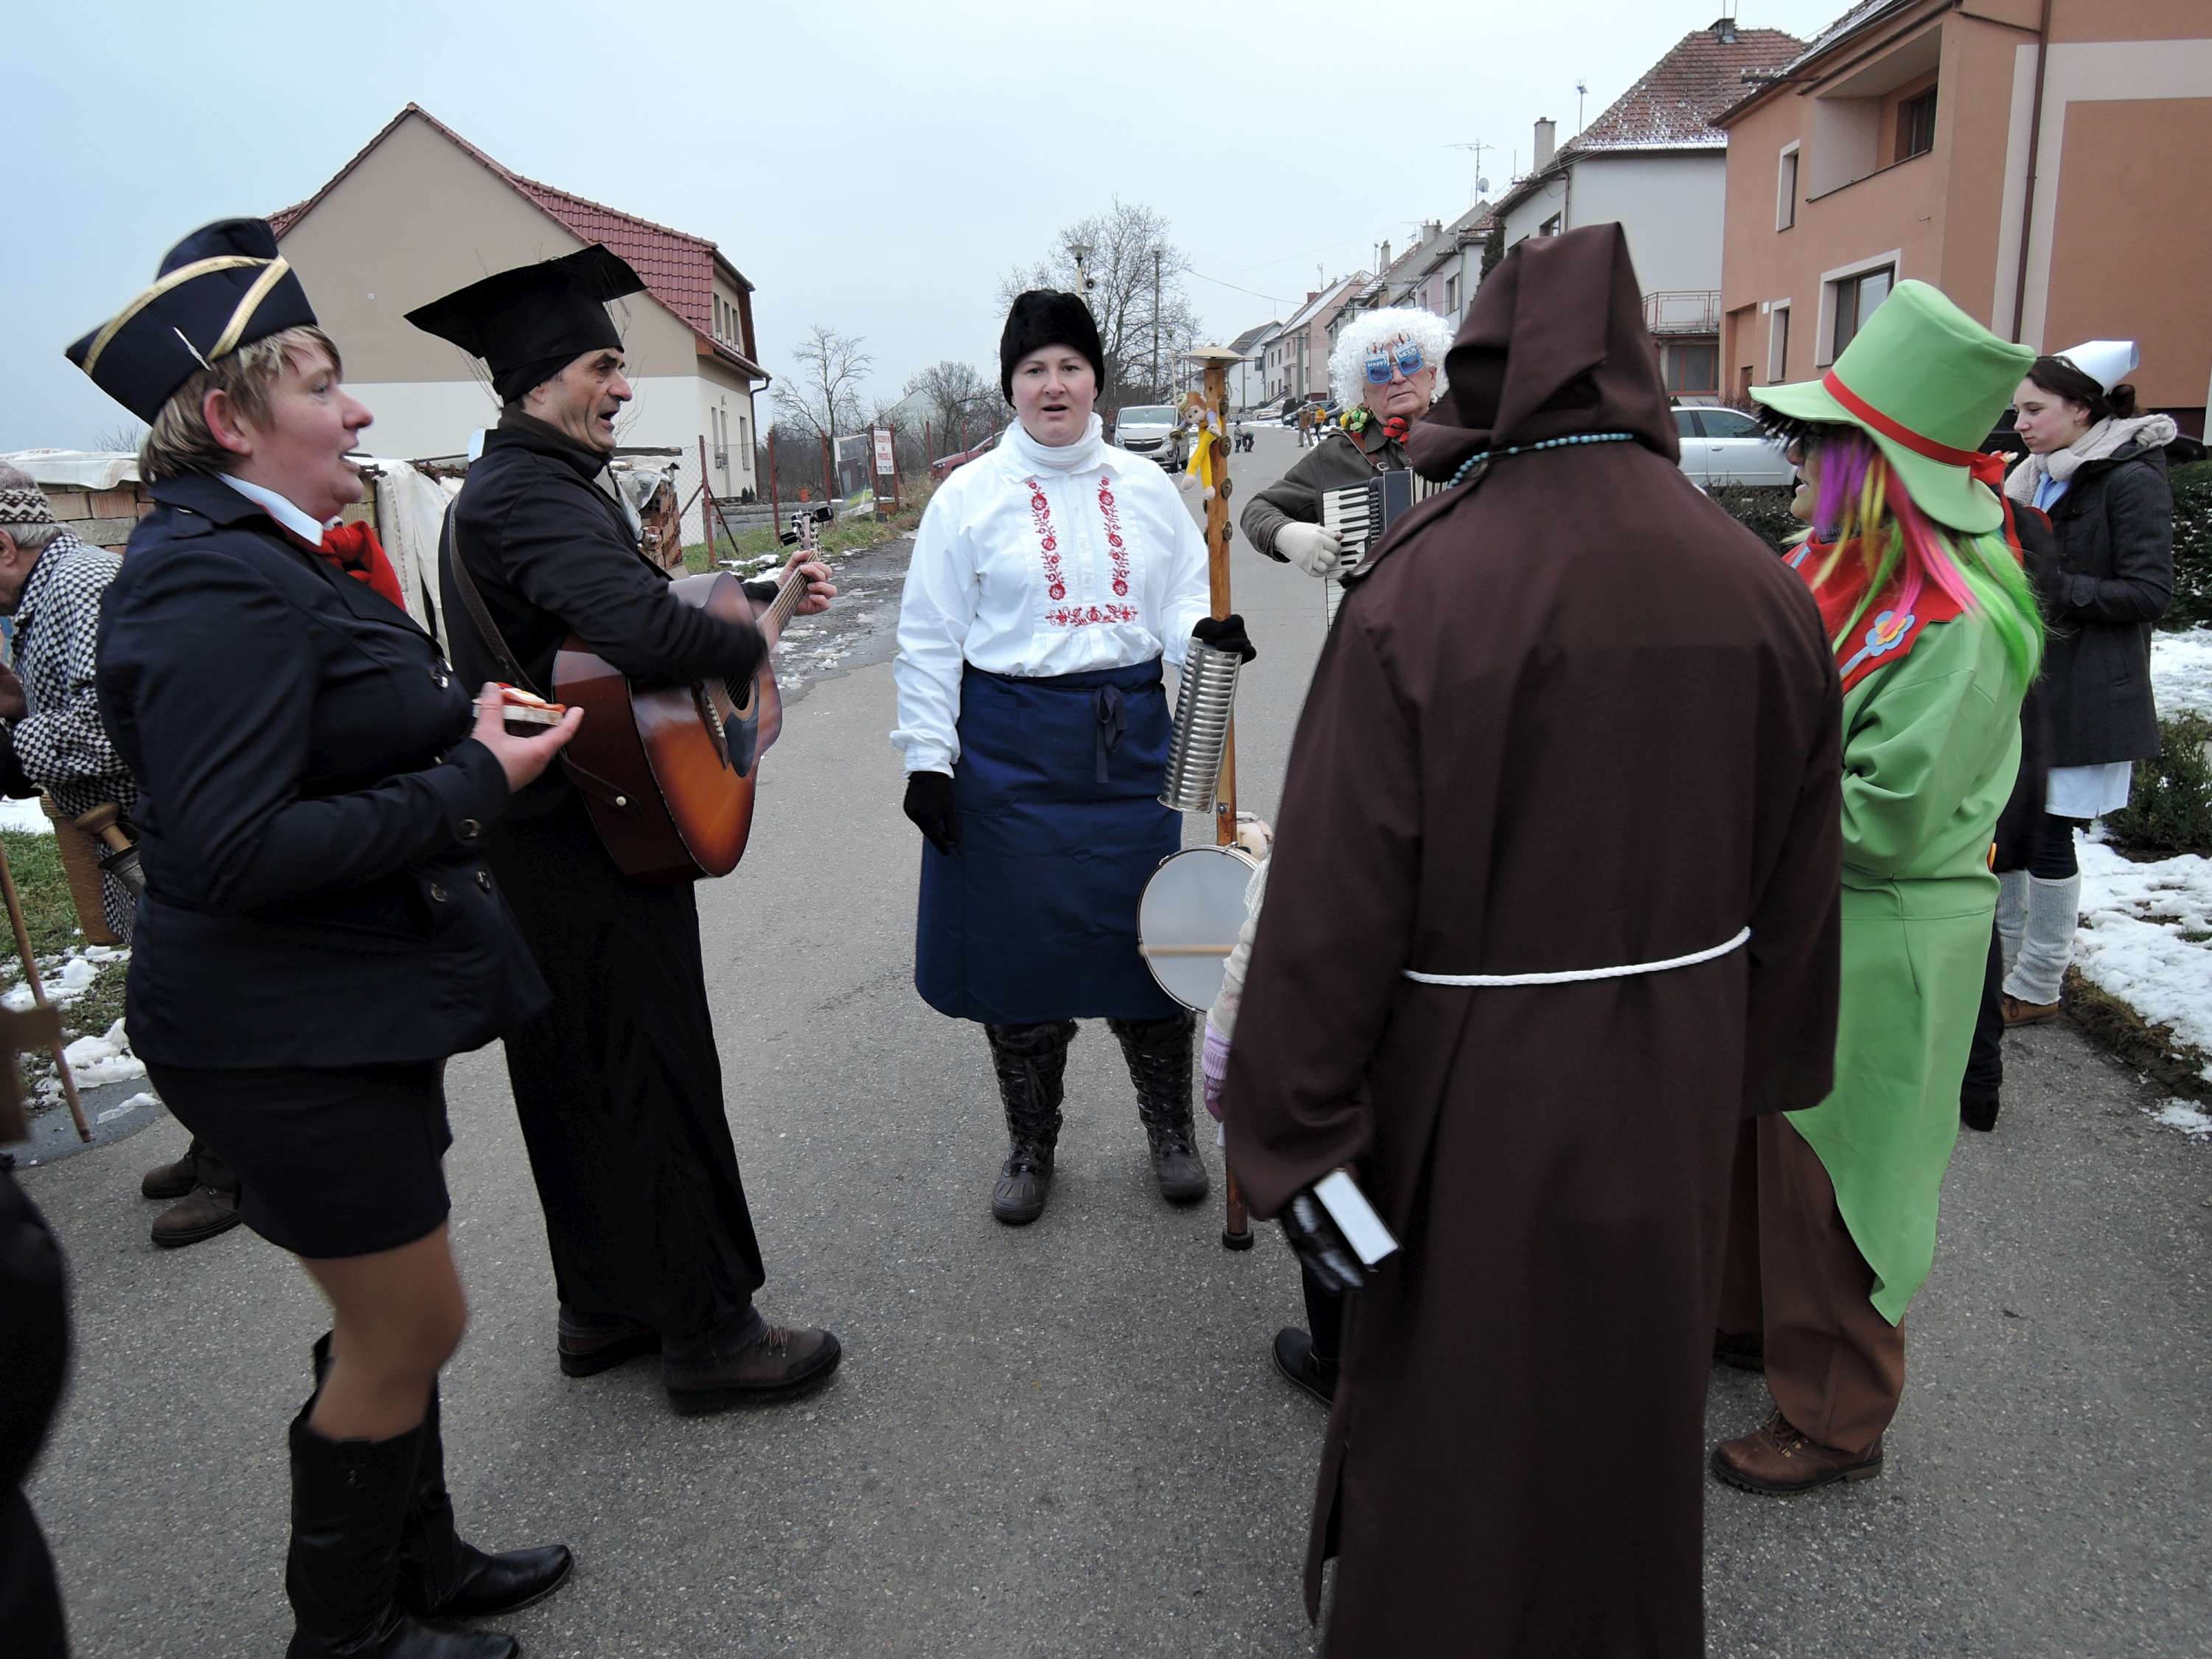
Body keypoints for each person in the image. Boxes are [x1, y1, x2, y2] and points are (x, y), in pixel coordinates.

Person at [1222, 223, 1843, 1656]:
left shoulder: (1423, 587)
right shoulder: (1761, 586)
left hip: (1468, 1099)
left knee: (1454, 1420)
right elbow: (1803, 879)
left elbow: (1328, 905)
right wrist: (1747, 1072)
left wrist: (1296, 1145)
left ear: (1489, 373)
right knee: (1628, 1419)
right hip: (1676, 1091)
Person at [77, 218, 577, 1659]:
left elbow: (319, 738)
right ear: (231, 420)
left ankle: (422, 1566)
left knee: (386, 1322)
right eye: (321, 385)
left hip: (345, 1007)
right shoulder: (202, 579)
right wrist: (474, 779)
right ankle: (347, 1638)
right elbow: (234, 849)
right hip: (278, 1032)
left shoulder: (257, 553)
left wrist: (455, 726)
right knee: (409, 1326)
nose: (358, 413)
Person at [406, 247, 842, 1416]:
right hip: (592, 839)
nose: (623, 388)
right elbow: (641, 630)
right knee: (654, 1069)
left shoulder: (512, 485)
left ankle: (602, 1306)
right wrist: (744, 636)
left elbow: (597, 651)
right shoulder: (533, 494)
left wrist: (756, 609)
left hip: (545, 834)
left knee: (575, 1075)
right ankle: (709, 1332)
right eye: (604, 366)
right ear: (543, 379)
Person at [1712, 281, 2044, 1496]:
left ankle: (1837, 1417)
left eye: (1820, 443)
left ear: (1877, 468)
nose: (1796, 461)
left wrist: (1716, 806)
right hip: (1797, 915)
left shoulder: (1954, 619)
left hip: (1880, 933)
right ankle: (1748, 1326)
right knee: (1761, 1140)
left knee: (1841, 1184)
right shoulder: (1829, 565)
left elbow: (1888, 819)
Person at [893, 289, 1252, 1226]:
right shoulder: (968, 497)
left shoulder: (1147, 488)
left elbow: (1178, 599)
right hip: (1007, 756)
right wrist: (929, 759)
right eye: (1033, 370)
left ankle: (1170, 1131)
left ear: (1096, 380)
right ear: (1009, 386)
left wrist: (1205, 640)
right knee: (1020, 961)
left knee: (1152, 940)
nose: (1053, 386)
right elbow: (929, 637)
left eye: (1070, 367)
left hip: (1127, 750)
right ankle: (1030, 1143)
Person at [0, 466, 237, 1247]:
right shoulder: (47, 592)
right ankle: (217, 1144)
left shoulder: (82, 586)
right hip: (135, 830)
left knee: (192, 1003)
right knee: (178, 1000)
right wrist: (19, 706)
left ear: (3, 546)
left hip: (165, 827)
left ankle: (240, 1164)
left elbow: (109, 725)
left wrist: (15, 745)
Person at [1996, 342, 2176, 1024]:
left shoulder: (2129, 479)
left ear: (2082, 409)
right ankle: (1999, 971)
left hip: (2087, 692)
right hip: (2029, 686)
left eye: (2034, 409)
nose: (2020, 423)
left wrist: (2052, 585)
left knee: (2047, 837)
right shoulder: (2030, 476)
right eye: (2018, 409)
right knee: (2010, 831)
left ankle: (2038, 984)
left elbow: (2149, 593)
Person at [1239, 307, 1453, 582]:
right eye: (1379, 370)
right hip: (1376, 607)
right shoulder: (1338, 454)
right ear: (1363, 391)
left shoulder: (1469, 437)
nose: (1398, 377)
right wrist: (1285, 535)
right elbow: (1257, 510)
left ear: (1432, 375)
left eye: (1409, 362)